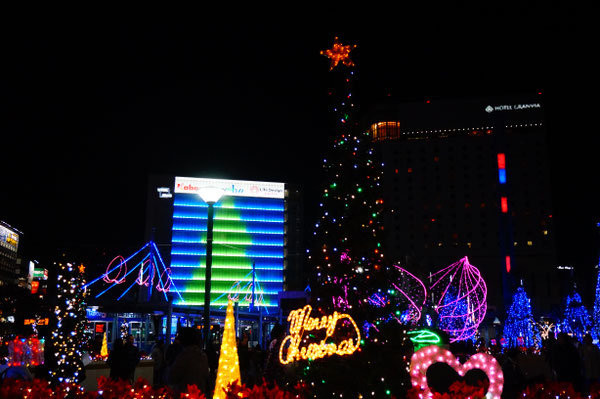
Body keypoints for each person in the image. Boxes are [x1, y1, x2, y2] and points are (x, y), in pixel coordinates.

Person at [167, 327, 209, 396]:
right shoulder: (203, 356)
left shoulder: (184, 356)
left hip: (184, 394)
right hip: (199, 394)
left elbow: (171, 377)